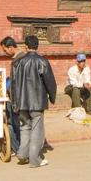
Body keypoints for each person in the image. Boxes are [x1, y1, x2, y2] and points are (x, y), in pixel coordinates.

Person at [10, 35, 56, 168]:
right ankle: (34, 159)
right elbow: (50, 82)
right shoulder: (42, 61)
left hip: (22, 102)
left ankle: (22, 154)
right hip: (37, 102)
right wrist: (52, 97)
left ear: (25, 46)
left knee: (24, 128)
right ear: (37, 46)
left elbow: (13, 84)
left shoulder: (18, 62)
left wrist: (14, 102)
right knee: (37, 130)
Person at [1, 36, 24, 154]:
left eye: (5, 50)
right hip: (16, 98)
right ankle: (19, 148)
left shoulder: (19, 60)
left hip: (17, 99)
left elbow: (19, 82)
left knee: (13, 125)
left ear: (10, 47)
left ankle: (18, 149)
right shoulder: (19, 58)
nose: (5, 53)